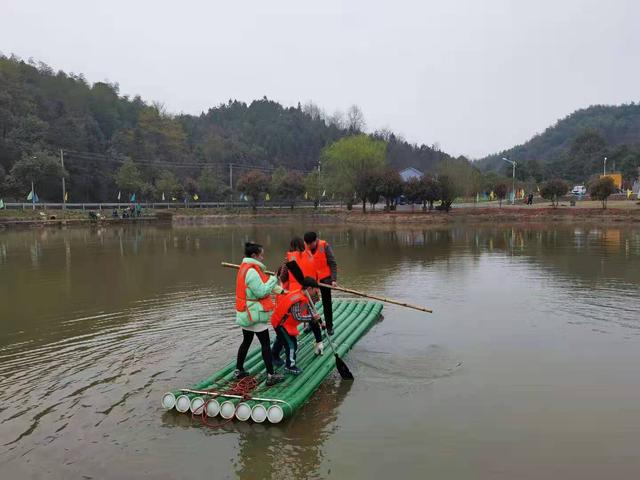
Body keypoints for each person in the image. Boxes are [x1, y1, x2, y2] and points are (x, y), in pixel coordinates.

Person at [235, 242, 284, 386]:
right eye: (261, 255)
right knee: (265, 344)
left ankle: (239, 370)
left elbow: (262, 286)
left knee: (246, 341)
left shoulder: (245, 268)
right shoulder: (252, 272)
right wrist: (275, 278)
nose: (263, 258)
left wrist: (282, 291)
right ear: (254, 255)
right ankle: (271, 375)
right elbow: (262, 291)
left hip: (246, 312)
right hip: (254, 313)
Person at [271, 277, 322, 374]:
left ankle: (274, 355)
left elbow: (309, 309)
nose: (316, 293)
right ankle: (290, 366)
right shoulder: (297, 298)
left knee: (281, 339)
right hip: (280, 323)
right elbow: (297, 316)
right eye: (315, 291)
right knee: (291, 344)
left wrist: (316, 317)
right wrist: (312, 318)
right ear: (309, 289)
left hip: (284, 323)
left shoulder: (305, 296)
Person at [303, 231, 338, 335]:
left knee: (327, 303)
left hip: (325, 280)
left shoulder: (324, 246)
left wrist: (334, 280)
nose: (309, 246)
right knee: (310, 303)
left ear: (316, 240)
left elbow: (332, 263)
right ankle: (311, 324)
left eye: (311, 243)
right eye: (307, 244)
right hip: (311, 280)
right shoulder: (304, 248)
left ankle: (329, 326)